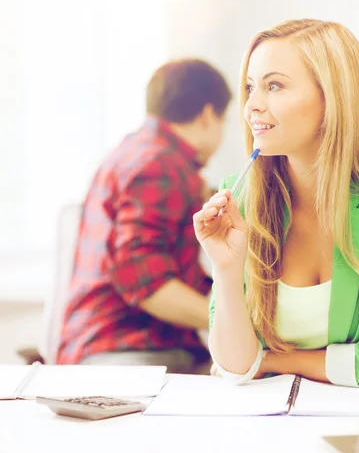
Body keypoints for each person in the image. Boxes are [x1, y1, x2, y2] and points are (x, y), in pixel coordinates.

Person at [193, 19, 359, 388]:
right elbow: (234, 367)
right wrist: (227, 271)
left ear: (334, 96)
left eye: (274, 85)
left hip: (358, 425)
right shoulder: (239, 198)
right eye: (250, 88)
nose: (251, 107)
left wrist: (278, 360)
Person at [57, 59, 231, 372]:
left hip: (102, 344)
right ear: (208, 115)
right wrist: (236, 322)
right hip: (124, 348)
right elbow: (146, 284)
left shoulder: (134, 150)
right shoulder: (161, 164)